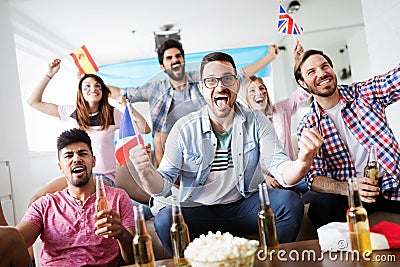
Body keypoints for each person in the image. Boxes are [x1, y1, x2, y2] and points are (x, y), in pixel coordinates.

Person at [129, 51, 323, 255]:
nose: (220, 87)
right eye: (211, 81)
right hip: (199, 209)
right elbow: (162, 186)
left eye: (227, 79)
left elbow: (282, 169)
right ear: (202, 88)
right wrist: (146, 173)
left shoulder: (256, 120)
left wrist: (302, 162)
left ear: (237, 84)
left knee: (289, 203)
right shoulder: (184, 128)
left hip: (243, 206)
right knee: (165, 220)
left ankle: (272, 259)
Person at [110, 39, 280, 165]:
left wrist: (270, 57)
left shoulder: (200, 79)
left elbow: (239, 74)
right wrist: (91, 83)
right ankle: (167, 187)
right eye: (169, 58)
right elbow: (121, 92)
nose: (175, 60)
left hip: (201, 136)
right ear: (163, 66)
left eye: (178, 56)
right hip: (170, 145)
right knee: (159, 136)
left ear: (183, 60)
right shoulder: (155, 87)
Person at [27, 59, 152, 219]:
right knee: (35, 200)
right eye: (87, 86)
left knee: (138, 212)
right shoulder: (71, 112)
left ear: (103, 91)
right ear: (81, 91)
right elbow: (33, 102)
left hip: (103, 178)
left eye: (97, 86)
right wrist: (49, 74)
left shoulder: (112, 114)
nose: (93, 88)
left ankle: (142, 209)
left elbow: (144, 128)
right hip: (74, 175)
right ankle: (23, 245)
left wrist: (129, 107)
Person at [294, 49, 400, 228]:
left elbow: (395, 80)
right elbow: (314, 178)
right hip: (350, 193)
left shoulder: (364, 93)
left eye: (325, 66)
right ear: (303, 83)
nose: (322, 73)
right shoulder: (308, 125)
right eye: (311, 72)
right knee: (320, 208)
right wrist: (347, 187)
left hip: (390, 182)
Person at [0, 128, 135, 266]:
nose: (76, 159)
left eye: (82, 153)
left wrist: (121, 234)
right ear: (60, 167)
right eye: (68, 156)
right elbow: (13, 240)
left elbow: (132, 258)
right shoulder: (45, 205)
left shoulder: (118, 197)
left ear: (93, 161)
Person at [243, 40, 311, 193]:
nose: (259, 93)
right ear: (247, 99)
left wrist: (300, 62)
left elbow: (303, 92)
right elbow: (245, 163)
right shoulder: (245, 125)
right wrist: (265, 178)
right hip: (267, 182)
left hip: (292, 176)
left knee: (318, 188)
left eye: (262, 88)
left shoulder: (281, 110)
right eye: (252, 91)